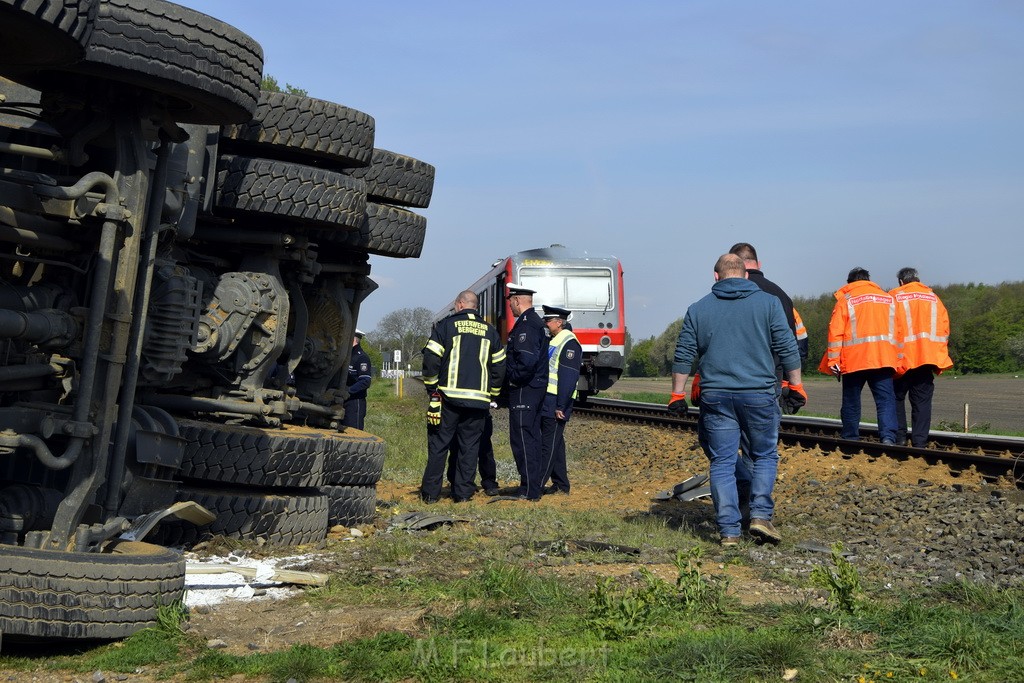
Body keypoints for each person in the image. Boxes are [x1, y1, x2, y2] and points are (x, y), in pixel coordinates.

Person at [669, 254, 805, 546]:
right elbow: (787, 347)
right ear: (745, 275)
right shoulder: (768, 304)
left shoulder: (698, 308)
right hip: (758, 394)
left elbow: (683, 355)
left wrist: (677, 394)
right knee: (764, 455)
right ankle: (759, 516)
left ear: (716, 277)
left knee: (722, 461)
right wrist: (796, 386)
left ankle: (729, 531)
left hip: (716, 396)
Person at [421, 290, 505, 503]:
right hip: (478, 402)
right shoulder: (490, 331)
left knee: (440, 445)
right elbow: (499, 367)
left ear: (459, 304)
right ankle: (463, 494)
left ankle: (431, 494)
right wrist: (492, 394)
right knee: (469, 449)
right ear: (475, 307)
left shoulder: (446, 327)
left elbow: (431, 358)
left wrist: (433, 389)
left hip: (448, 399)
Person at [818, 267, 900, 444]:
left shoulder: (846, 299)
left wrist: (833, 360)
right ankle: (888, 438)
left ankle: (850, 438)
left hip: (854, 360)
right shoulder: (888, 299)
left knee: (851, 401)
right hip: (883, 358)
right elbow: (899, 330)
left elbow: (835, 332)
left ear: (850, 283)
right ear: (868, 279)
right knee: (885, 400)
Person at [890, 267, 953, 446]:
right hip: (927, 358)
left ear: (901, 282)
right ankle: (920, 442)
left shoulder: (894, 297)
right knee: (922, 403)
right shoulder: (934, 298)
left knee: (895, 398)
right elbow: (945, 330)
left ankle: (900, 438)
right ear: (917, 280)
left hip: (901, 360)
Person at [503, 282, 549, 499]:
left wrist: (512, 379)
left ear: (516, 300)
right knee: (530, 437)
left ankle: (530, 489)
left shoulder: (527, 326)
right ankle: (531, 486)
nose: (510, 307)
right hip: (533, 388)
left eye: (511, 302)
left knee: (523, 439)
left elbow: (526, 361)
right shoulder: (533, 323)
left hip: (524, 389)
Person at [533, 305, 582, 500]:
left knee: (549, 444)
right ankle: (561, 484)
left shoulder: (569, 343)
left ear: (559, 322)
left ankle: (536, 486)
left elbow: (568, 377)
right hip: (550, 398)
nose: (545, 323)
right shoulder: (556, 340)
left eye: (548, 320)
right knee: (556, 442)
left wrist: (561, 405)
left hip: (557, 401)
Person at [341, 329, 372, 430]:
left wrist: (348, 391)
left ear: (352, 340)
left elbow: (365, 381)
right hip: (341, 400)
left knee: (353, 432)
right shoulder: (344, 355)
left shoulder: (361, 358)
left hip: (354, 402)